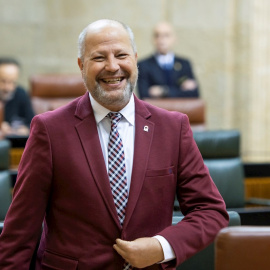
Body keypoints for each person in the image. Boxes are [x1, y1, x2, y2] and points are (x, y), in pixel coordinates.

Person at [0, 19, 228, 269]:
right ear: (81, 65)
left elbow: (210, 211)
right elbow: (19, 233)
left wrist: (162, 246)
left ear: (135, 59)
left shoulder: (173, 128)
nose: (112, 66)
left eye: (121, 55)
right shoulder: (49, 129)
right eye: (99, 58)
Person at [138, 22, 199, 99]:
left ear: (174, 39)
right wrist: (179, 90)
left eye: (166, 35)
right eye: (157, 35)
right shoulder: (144, 65)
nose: (161, 39)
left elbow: (194, 94)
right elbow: (144, 96)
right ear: (153, 39)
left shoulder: (184, 64)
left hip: (180, 109)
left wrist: (164, 91)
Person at [0, 58, 35, 136]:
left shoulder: (21, 93)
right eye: (3, 81)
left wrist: (24, 130)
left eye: (12, 82)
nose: (7, 87)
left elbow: (33, 123)